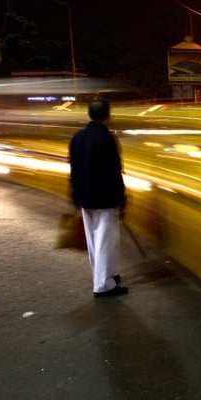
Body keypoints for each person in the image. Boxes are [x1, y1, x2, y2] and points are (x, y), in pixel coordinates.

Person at [69, 98, 128, 297]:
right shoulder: (107, 138)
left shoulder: (78, 137)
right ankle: (103, 285)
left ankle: (105, 275)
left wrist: (75, 196)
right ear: (108, 116)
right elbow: (114, 171)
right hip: (105, 197)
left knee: (94, 241)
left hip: (85, 196)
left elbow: (73, 170)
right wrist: (122, 197)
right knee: (105, 240)